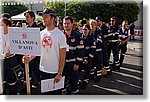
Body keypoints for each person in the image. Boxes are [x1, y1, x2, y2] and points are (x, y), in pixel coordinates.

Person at [23, 8, 67, 95]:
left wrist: (59, 73)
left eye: (46, 16)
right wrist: (29, 58)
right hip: (42, 70)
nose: (43, 18)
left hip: (55, 72)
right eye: (43, 16)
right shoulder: (41, 33)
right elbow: (37, 51)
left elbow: (63, 57)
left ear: (52, 18)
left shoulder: (60, 35)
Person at [63, 16, 84, 94]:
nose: (66, 25)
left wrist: (77, 63)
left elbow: (81, 51)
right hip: (63, 64)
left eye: (68, 23)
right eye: (64, 23)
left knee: (74, 83)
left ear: (72, 24)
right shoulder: (60, 35)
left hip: (73, 65)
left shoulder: (77, 36)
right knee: (63, 83)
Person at [80, 24, 96, 89]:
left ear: (89, 30)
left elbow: (93, 50)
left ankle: (85, 82)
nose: (84, 31)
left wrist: (88, 59)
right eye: (83, 29)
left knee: (87, 71)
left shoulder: (91, 38)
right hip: (80, 58)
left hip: (88, 58)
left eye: (85, 29)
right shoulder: (79, 37)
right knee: (78, 71)